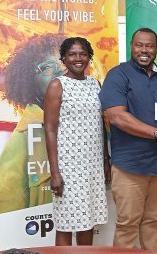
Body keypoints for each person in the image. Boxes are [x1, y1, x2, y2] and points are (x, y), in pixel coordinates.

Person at [99, 28, 157, 251]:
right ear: (131, 46)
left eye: (149, 46)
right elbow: (117, 116)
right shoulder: (118, 75)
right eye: (139, 45)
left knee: (153, 222)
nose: (144, 50)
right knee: (127, 226)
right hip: (130, 167)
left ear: (156, 48)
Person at [44, 37, 109, 245]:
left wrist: (106, 161)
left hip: (92, 166)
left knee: (87, 220)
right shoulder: (57, 85)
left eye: (82, 54)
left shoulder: (94, 84)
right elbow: (51, 130)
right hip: (68, 168)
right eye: (72, 54)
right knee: (65, 223)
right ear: (64, 58)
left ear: (89, 57)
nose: (78, 58)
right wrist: (55, 172)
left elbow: (101, 125)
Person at [0, 33, 67, 214]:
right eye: (46, 67)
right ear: (28, 81)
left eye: (63, 62)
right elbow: (10, 208)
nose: (60, 71)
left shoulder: (85, 119)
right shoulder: (22, 140)